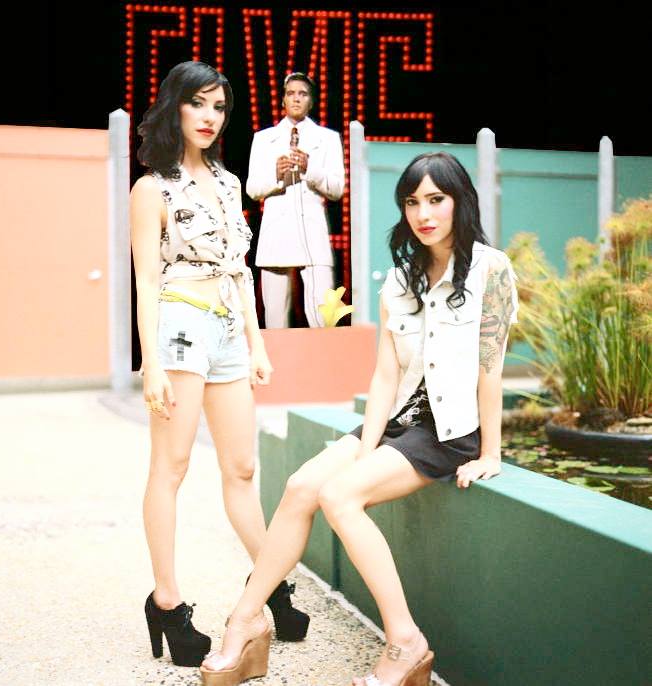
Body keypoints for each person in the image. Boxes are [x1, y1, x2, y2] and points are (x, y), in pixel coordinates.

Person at [200, 151, 519, 685]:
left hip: (449, 431)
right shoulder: (400, 278)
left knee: (340, 497)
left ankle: (406, 642)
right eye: (412, 202)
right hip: (401, 422)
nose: (423, 214)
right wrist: (367, 448)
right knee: (301, 487)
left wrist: (491, 453)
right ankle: (247, 619)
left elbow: (491, 367)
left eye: (436, 199)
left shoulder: (492, 269)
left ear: (460, 201)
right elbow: (385, 377)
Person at [130, 60, 309, 669]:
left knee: (241, 467)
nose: (209, 117)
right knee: (172, 466)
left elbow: (239, 272)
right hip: (179, 326)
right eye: (198, 103)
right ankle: (167, 601)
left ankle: (270, 584)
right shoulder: (152, 188)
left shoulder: (230, 184)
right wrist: (151, 363)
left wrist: (256, 343)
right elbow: (147, 280)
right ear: (175, 106)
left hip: (229, 330)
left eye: (219, 107)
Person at [246, 72, 345, 328]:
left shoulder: (327, 138)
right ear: (283, 100)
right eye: (291, 93)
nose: (296, 98)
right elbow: (252, 189)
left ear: (311, 101)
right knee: (275, 320)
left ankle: (325, 354)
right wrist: (276, 175)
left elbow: (337, 189)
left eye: (302, 94)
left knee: (325, 319)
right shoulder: (264, 138)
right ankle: (277, 356)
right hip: (276, 232)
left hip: (313, 233)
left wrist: (310, 169)